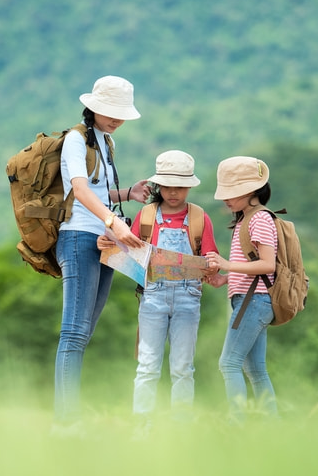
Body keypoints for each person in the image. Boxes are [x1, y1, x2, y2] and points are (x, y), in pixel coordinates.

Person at [52, 75, 151, 435]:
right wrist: (113, 220)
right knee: (73, 332)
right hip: (79, 237)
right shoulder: (76, 140)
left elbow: (99, 188)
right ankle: (65, 422)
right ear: (93, 108)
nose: (117, 119)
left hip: (107, 241)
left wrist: (127, 193)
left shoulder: (104, 142)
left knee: (85, 331)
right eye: (111, 112)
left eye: (121, 114)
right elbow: (78, 189)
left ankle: (69, 418)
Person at [99, 150, 223, 436]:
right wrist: (109, 244)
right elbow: (129, 250)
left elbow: (210, 255)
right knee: (147, 365)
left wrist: (213, 267)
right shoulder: (146, 216)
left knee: (183, 367)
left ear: (189, 186)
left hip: (188, 297)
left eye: (180, 186)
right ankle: (142, 426)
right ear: (158, 186)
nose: (174, 192)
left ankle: (181, 427)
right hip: (152, 295)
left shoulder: (198, 218)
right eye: (167, 186)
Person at [205, 156, 279, 423]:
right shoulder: (246, 219)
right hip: (251, 299)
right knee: (255, 369)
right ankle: (272, 427)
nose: (226, 199)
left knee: (229, 363)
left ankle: (238, 425)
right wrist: (226, 278)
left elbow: (267, 264)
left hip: (255, 301)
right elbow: (251, 266)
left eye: (232, 193)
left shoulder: (259, 219)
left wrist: (225, 263)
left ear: (251, 191)